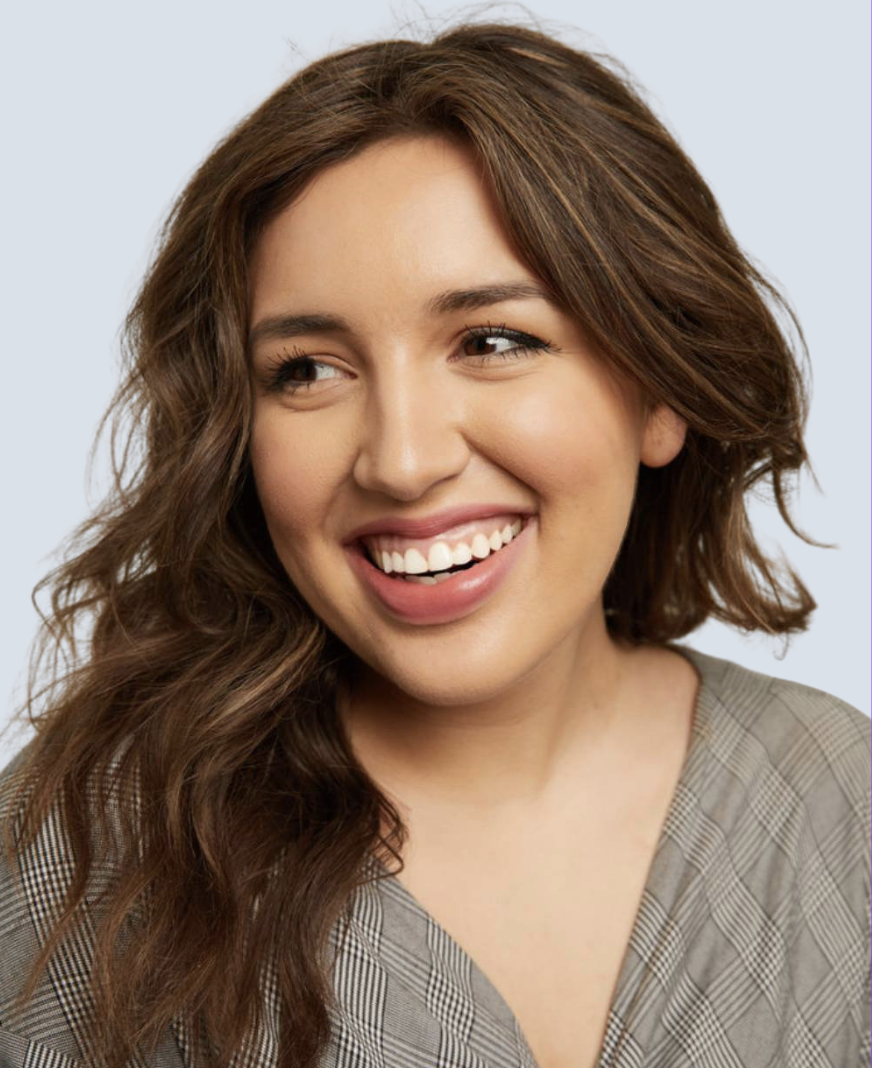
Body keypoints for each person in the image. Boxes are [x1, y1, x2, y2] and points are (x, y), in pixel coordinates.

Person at [0, 19, 868, 1068]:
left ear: (658, 391)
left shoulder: (840, 806)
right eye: (307, 370)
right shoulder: (96, 847)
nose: (401, 461)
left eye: (493, 342)